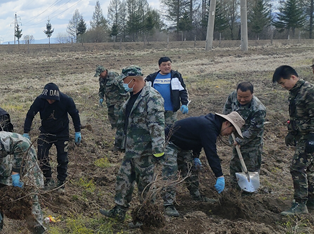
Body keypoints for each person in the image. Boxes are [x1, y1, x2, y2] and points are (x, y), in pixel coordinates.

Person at [100, 66, 165, 222]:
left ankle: (146, 217)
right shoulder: (131, 96)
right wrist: (119, 143)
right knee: (124, 180)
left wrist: (158, 151)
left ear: (134, 80)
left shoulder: (151, 97)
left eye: (124, 81)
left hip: (145, 152)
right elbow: (124, 122)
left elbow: (156, 126)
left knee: (146, 185)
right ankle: (119, 210)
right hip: (131, 150)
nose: (122, 83)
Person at [162, 111, 244, 217]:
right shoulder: (209, 127)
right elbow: (211, 153)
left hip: (183, 144)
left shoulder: (212, 124)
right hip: (169, 141)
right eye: (232, 130)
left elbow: (198, 140)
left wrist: (196, 156)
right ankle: (168, 205)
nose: (230, 134)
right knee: (170, 171)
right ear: (227, 123)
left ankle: (196, 196)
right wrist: (219, 175)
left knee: (190, 168)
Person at [23, 83, 82, 192]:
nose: (49, 101)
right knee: (41, 155)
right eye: (47, 99)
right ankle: (48, 179)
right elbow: (30, 115)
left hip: (62, 133)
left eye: (52, 100)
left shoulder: (66, 100)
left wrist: (78, 131)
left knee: (62, 158)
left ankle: (61, 182)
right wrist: (26, 132)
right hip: (46, 132)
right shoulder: (40, 100)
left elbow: (74, 114)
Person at [273, 65, 314, 215]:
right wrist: (291, 132)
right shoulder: (294, 92)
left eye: (283, 83)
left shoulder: (309, 91)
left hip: (309, 136)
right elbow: (296, 116)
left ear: (293, 77)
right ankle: (311, 200)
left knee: (297, 168)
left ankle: (300, 204)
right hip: (302, 135)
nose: (283, 86)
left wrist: (311, 138)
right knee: (309, 169)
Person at [222, 82, 266, 190]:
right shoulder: (232, 96)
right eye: (240, 96)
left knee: (250, 166)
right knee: (235, 163)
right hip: (235, 135)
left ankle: (248, 191)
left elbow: (254, 130)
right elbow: (227, 110)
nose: (242, 100)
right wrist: (226, 124)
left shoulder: (258, 109)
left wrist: (240, 140)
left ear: (252, 94)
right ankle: (234, 188)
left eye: (246, 97)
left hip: (252, 142)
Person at [145, 57, 189, 126]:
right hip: (156, 110)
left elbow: (182, 90)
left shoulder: (176, 76)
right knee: (157, 129)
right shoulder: (152, 77)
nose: (167, 67)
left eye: (169, 64)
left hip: (171, 110)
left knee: (171, 130)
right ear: (159, 66)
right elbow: (144, 91)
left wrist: (185, 103)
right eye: (164, 65)